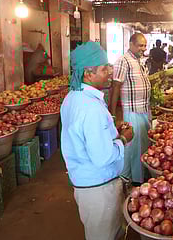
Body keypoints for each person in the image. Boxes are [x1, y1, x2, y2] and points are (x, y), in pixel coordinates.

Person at [60, 41, 133, 240]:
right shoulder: (90, 108)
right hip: (98, 188)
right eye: (104, 68)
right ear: (88, 73)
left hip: (86, 183)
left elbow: (86, 136)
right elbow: (102, 156)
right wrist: (123, 140)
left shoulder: (73, 97)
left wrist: (112, 133)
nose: (110, 71)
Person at [109, 33, 151, 186]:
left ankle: (141, 174)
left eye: (145, 45)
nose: (143, 48)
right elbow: (115, 87)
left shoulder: (138, 60)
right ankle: (134, 179)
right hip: (133, 111)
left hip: (144, 109)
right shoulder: (123, 61)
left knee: (143, 146)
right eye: (140, 45)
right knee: (133, 147)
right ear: (131, 44)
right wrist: (112, 114)